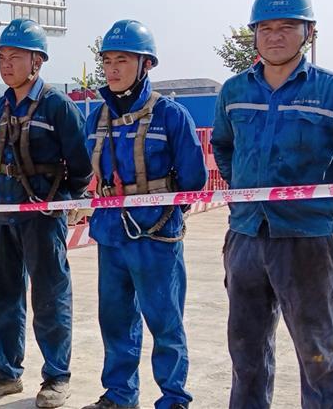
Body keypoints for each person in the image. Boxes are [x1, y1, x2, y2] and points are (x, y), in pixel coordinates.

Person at [212, 0, 333, 408]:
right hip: (246, 236)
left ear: (308, 33)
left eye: (286, 27)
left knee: (319, 354)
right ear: (254, 34)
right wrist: (241, 192)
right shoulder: (234, 91)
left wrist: (330, 200)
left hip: (307, 239)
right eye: (265, 28)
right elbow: (223, 145)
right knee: (246, 352)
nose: (274, 36)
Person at [81, 20, 207, 409]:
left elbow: (194, 179)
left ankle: (174, 398)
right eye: (107, 61)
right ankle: (119, 395)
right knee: (115, 319)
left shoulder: (171, 115)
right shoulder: (96, 118)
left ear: (146, 64)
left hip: (156, 236)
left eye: (122, 60)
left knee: (165, 321)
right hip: (110, 235)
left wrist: (162, 212)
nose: (113, 69)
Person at [0, 18, 93, 408]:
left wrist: (68, 202)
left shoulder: (58, 106)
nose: (6, 64)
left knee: (50, 296)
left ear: (37, 61)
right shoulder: (2, 105)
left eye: (16, 57)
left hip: (42, 215)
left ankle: (57, 376)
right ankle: (7, 372)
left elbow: (82, 164)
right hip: (5, 211)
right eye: (2, 57)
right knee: (4, 294)